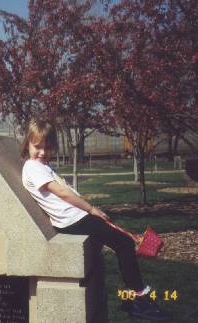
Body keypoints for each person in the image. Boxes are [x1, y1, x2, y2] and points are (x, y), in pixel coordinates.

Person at [20, 119, 172, 322]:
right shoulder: (33, 167)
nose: (42, 152)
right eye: (37, 146)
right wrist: (91, 209)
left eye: (47, 148)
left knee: (123, 240)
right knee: (125, 243)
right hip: (72, 220)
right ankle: (139, 301)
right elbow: (63, 193)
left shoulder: (43, 166)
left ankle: (135, 297)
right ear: (27, 144)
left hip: (75, 217)